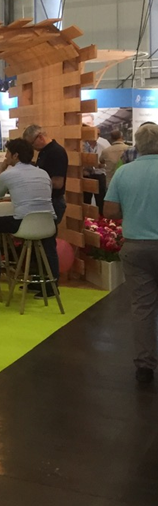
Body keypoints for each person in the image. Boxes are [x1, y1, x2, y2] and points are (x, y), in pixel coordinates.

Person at [104, 123, 158, 384]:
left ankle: (145, 366)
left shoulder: (124, 172)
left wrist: (134, 210)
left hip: (136, 246)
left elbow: (110, 211)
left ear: (137, 146)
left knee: (142, 307)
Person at [0, 138, 54, 278]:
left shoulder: (8, 174)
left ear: (15, 155)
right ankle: (49, 280)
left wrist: (2, 169)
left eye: (8, 153)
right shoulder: (43, 173)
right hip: (48, 223)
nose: (5, 156)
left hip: (24, 224)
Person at [21, 124, 68, 289]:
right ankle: (39, 280)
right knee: (39, 244)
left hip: (53, 202)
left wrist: (36, 183)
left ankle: (51, 284)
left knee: (48, 244)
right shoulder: (44, 152)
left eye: (32, 143)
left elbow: (57, 182)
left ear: (40, 137)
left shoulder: (56, 152)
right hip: (44, 202)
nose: (32, 148)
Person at [83, 127, 110, 216]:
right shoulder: (82, 146)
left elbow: (106, 163)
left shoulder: (103, 146)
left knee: (100, 199)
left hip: (99, 175)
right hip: (86, 175)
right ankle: (87, 219)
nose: (96, 136)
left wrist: (101, 165)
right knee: (86, 199)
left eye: (98, 134)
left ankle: (101, 219)